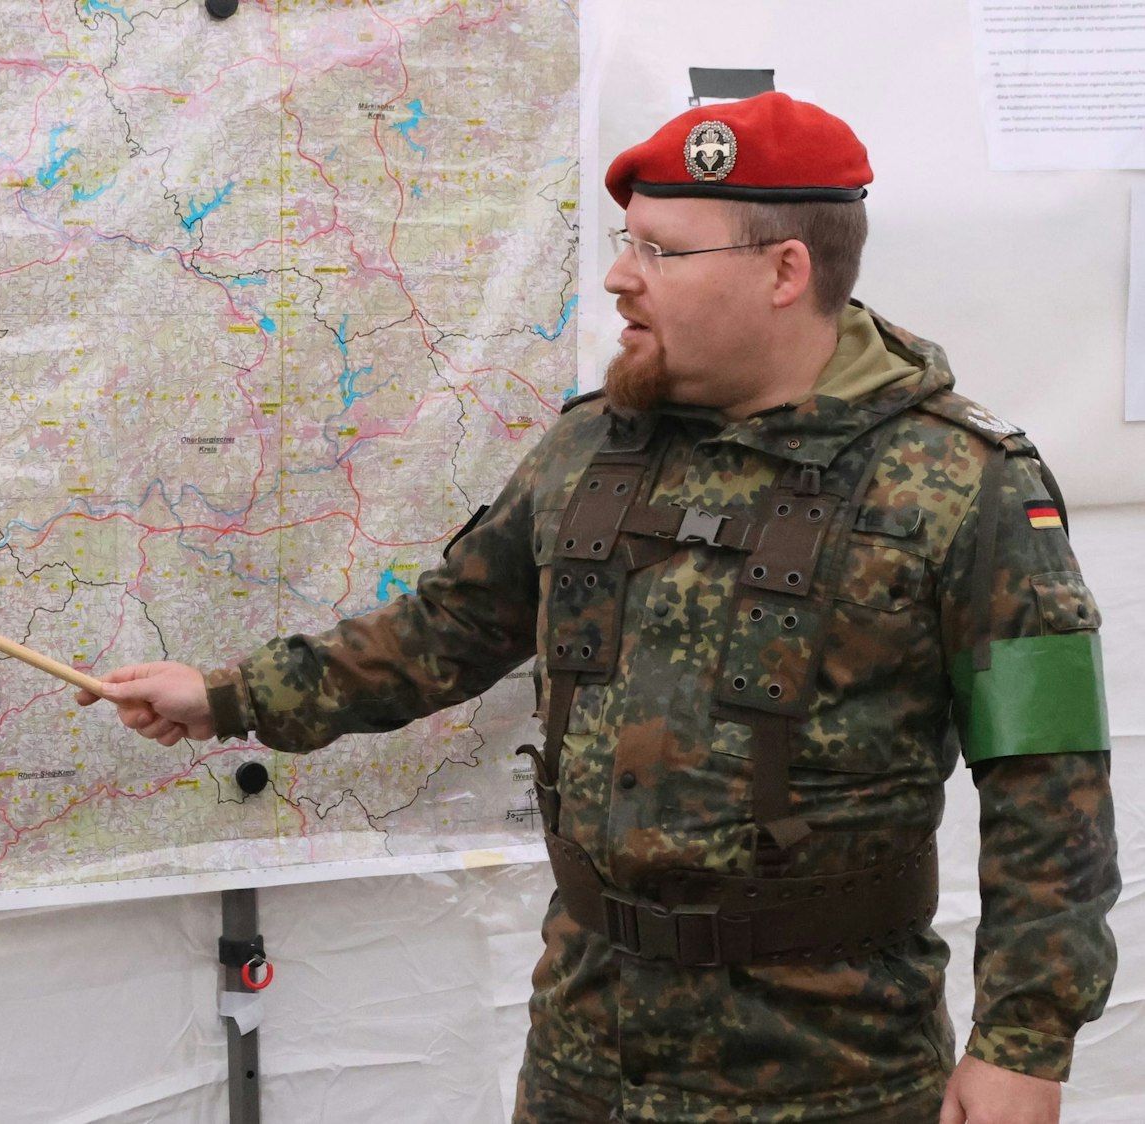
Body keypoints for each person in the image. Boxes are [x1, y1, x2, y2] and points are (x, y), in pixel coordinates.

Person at [77, 92, 1117, 1124]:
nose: (621, 275)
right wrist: (229, 694)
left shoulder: (964, 484)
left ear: (784, 272)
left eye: (663, 251)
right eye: (629, 242)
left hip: (831, 1068)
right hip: (585, 1051)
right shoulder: (590, 450)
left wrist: (1023, 1044)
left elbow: (1049, 782)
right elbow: (444, 630)